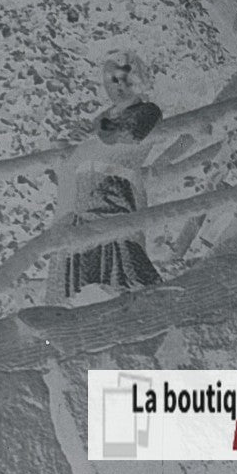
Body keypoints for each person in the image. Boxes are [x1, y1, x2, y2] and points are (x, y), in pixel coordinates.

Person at [59, 50, 163, 299]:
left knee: (121, 249)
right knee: (88, 259)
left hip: (118, 189)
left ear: (136, 78)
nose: (115, 87)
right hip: (88, 189)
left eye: (121, 79)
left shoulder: (148, 109)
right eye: (109, 81)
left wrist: (96, 132)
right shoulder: (105, 115)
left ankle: (148, 302)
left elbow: (128, 134)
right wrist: (83, 133)